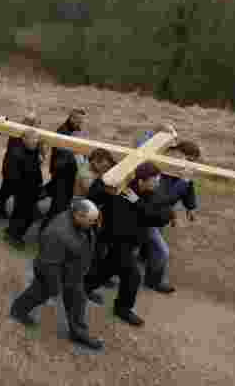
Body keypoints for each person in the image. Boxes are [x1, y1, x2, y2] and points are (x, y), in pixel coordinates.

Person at [83, 162, 177, 326]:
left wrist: (137, 203)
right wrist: (105, 180)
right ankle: (122, 309)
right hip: (118, 241)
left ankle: (84, 288)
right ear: (141, 181)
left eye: (158, 179)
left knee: (107, 268)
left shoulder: (152, 193)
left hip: (132, 241)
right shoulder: (121, 189)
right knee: (132, 276)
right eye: (154, 180)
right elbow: (93, 196)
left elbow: (162, 216)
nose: (158, 183)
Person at [10, 198, 105, 351]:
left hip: (72, 274)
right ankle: (18, 310)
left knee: (77, 301)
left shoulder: (80, 221)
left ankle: (78, 333)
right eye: (91, 221)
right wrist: (55, 289)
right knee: (39, 293)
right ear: (78, 215)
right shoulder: (58, 233)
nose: (94, 224)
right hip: (53, 274)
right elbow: (49, 264)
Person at [137, 133, 201, 294]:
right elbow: (163, 199)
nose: (191, 165)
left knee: (150, 246)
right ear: (180, 155)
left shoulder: (181, 170)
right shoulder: (161, 168)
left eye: (194, 162)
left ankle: (144, 257)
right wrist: (184, 181)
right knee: (162, 251)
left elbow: (188, 188)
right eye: (190, 160)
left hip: (159, 217)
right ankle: (154, 281)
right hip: (148, 217)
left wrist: (190, 208)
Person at [39, 109, 87, 235]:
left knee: (56, 202)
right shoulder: (63, 133)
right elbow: (61, 159)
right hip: (62, 177)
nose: (81, 124)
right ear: (72, 118)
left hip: (64, 176)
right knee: (57, 207)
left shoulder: (71, 131)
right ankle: (44, 231)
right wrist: (75, 155)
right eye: (79, 121)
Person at [5, 129, 45, 248]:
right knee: (24, 216)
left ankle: (11, 232)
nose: (35, 142)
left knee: (22, 214)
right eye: (32, 139)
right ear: (24, 139)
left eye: (36, 139)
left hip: (31, 189)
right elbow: (14, 176)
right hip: (23, 191)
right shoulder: (17, 154)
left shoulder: (32, 150)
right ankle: (15, 236)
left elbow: (36, 164)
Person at [0, 113, 41, 219]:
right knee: (10, 192)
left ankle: (0, 208)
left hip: (14, 171)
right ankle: (1, 209)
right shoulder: (18, 135)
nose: (35, 125)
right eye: (34, 122)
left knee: (6, 191)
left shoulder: (21, 132)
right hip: (13, 173)